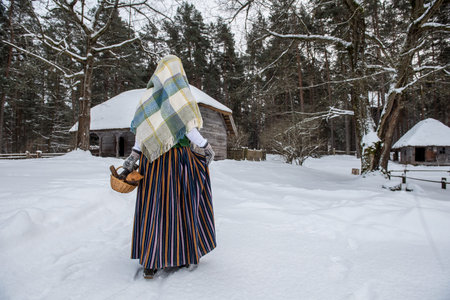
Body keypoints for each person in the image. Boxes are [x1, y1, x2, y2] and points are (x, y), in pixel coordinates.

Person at [121, 55, 217, 279]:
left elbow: (142, 135)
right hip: (176, 162)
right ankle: (181, 254)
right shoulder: (180, 95)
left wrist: (132, 159)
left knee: (154, 207)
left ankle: (151, 261)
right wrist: (206, 146)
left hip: (152, 164)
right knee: (178, 206)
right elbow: (189, 128)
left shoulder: (148, 98)